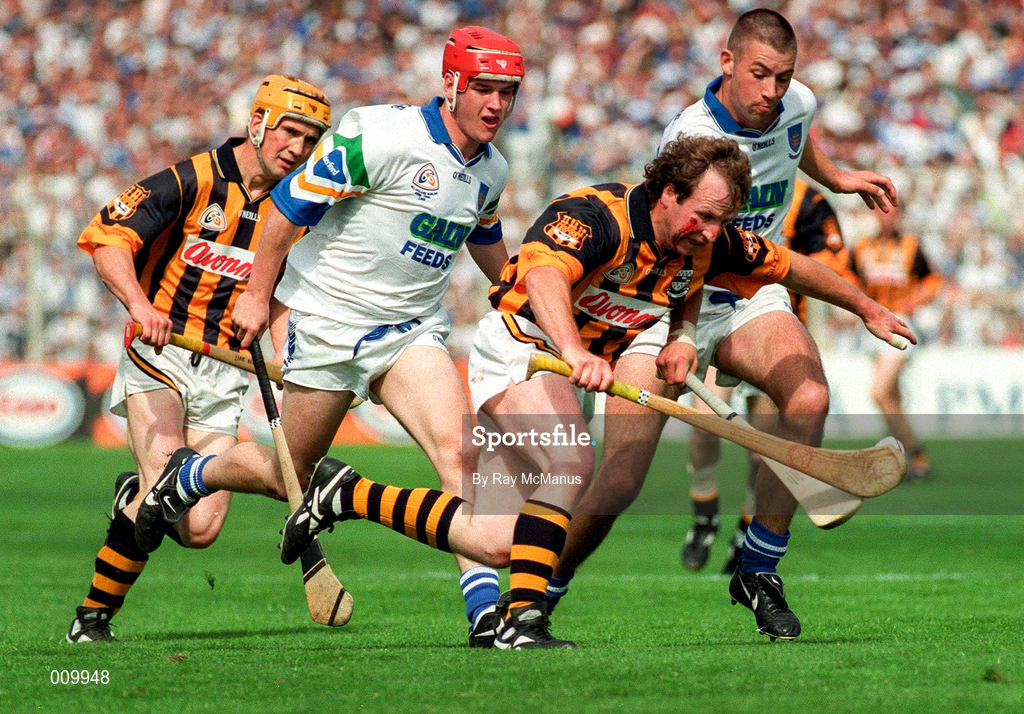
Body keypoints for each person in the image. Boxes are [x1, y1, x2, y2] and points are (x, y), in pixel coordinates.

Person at [275, 135, 914, 650]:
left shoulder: (704, 240)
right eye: (702, 216)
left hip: (570, 365)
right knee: (573, 461)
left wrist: (863, 307)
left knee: (495, 538)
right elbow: (546, 276)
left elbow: (786, 264)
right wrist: (575, 350)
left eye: (721, 222)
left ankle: (346, 494)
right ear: (668, 193)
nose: (710, 232)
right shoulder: (596, 216)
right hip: (521, 351)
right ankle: (520, 622)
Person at [134, 26, 525, 647]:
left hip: (411, 332)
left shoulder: (494, 167)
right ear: (450, 84)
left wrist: (519, 293)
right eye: (484, 88)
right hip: (327, 327)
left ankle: (484, 616)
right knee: (287, 474)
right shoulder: (379, 134)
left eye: (509, 92)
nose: (497, 104)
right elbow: (289, 207)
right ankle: (190, 474)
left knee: (463, 457)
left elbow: (482, 234)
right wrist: (259, 297)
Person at [544, 8, 902, 642]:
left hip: (745, 289)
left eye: (784, 77)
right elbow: (671, 250)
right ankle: (541, 592)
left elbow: (797, 137)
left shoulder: (796, 103)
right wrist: (681, 335)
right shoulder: (690, 138)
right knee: (621, 479)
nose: (772, 91)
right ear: (727, 62)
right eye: (760, 75)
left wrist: (839, 179)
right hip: (662, 299)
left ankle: (758, 569)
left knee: (809, 396)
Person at [66, 75, 332, 643]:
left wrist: (292, 358)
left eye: (311, 139)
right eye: (290, 131)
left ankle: (131, 498)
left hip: (228, 369)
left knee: (200, 528)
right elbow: (107, 237)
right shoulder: (192, 179)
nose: (298, 148)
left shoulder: (298, 207)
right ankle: (91, 622)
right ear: (257, 123)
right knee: (165, 476)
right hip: (162, 352)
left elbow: (285, 290)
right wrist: (141, 305)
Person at [692, 178, 857, 575]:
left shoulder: (807, 200)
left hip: (774, 327)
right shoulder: (717, 187)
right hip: (714, 315)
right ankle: (704, 517)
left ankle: (747, 531)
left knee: (761, 448)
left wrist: (782, 260)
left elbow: (834, 263)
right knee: (704, 424)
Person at [850, 205, 941, 480]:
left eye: (890, 213)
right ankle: (902, 461)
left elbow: (932, 280)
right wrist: (860, 302)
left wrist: (914, 301)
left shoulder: (911, 246)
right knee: (892, 397)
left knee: (880, 392)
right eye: (881, 213)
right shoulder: (862, 246)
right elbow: (850, 276)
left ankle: (916, 453)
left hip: (900, 323)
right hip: (874, 322)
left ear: (899, 216)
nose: (885, 218)